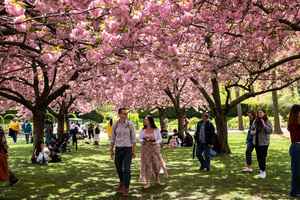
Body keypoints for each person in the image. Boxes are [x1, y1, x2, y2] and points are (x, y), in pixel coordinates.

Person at [110, 108, 136, 196]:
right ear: (119, 114)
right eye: (123, 114)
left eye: (126, 114)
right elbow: (113, 138)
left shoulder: (130, 124)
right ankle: (121, 182)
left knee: (126, 169)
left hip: (128, 149)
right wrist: (111, 150)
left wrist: (134, 151)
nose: (125, 115)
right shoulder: (115, 124)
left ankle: (126, 187)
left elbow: (133, 139)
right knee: (118, 167)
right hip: (118, 148)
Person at [139, 116, 167, 189]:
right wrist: (144, 140)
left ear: (150, 121)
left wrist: (155, 142)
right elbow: (140, 138)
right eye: (144, 120)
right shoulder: (143, 130)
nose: (145, 121)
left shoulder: (156, 129)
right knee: (147, 165)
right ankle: (148, 182)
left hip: (155, 148)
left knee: (156, 164)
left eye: (146, 120)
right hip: (145, 149)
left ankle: (157, 179)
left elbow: (160, 139)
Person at [250, 109, 272, 179]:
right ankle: (261, 171)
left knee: (262, 157)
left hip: (264, 143)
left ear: (264, 113)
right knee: (259, 157)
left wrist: (264, 124)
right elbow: (251, 131)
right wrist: (254, 132)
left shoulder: (267, 121)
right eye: (258, 112)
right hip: (256, 142)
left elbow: (270, 131)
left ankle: (263, 172)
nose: (259, 114)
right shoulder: (255, 121)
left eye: (261, 112)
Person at [287, 105, 300, 197]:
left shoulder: (293, 122)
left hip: (295, 147)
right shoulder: (294, 123)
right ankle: (295, 191)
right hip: (297, 147)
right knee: (296, 171)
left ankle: (295, 190)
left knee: (296, 170)